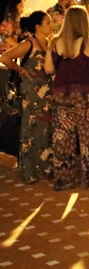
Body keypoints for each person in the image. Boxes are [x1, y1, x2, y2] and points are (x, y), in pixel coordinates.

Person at [44, 5, 89, 191]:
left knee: (63, 139)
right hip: (86, 96)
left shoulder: (54, 41)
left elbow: (48, 69)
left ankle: (63, 180)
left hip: (62, 95)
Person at [0, 11, 53, 183]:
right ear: (38, 26)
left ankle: (45, 167)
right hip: (31, 91)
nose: (51, 25)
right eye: (48, 22)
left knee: (45, 128)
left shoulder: (48, 42)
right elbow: (5, 57)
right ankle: (30, 170)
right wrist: (20, 70)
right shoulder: (28, 43)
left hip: (47, 91)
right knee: (30, 128)